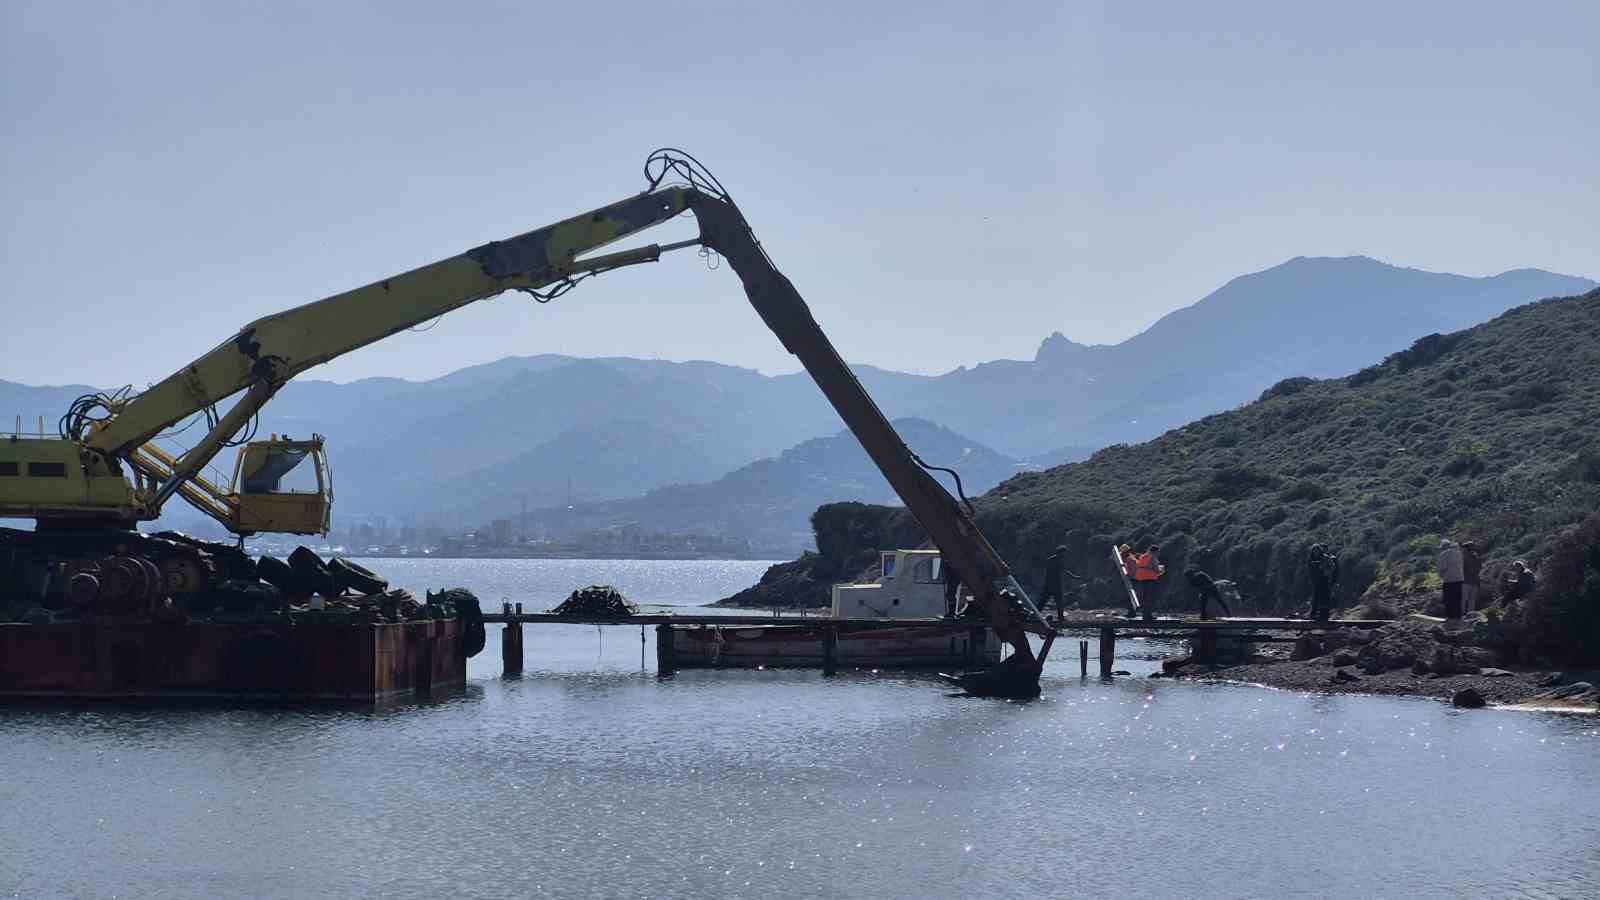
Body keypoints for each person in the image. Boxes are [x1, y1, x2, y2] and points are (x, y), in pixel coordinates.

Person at [1038, 545, 1080, 622]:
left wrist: (1074, 577)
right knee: (1059, 602)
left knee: (1043, 601)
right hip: (1055, 585)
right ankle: (1061, 618)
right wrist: (1074, 577)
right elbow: (1065, 571)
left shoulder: (1051, 559)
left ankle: (1035, 615)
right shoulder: (1058, 560)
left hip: (1048, 584)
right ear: (1061, 552)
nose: (1065, 555)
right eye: (1064, 553)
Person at [1133, 544, 1165, 622]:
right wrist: (1162, 570)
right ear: (1155, 551)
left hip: (1141, 579)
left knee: (1144, 598)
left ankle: (1145, 616)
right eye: (1158, 552)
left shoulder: (1142, 556)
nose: (1158, 554)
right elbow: (1156, 569)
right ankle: (1148, 616)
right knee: (1149, 598)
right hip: (1150, 579)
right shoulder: (1153, 557)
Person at [1308, 543, 1338, 622]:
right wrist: (1311, 579)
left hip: (1324, 580)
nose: (1316, 552)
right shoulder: (1311, 558)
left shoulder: (1326, 558)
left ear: (1319, 551)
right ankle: (1313, 616)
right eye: (1314, 551)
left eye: (1317, 550)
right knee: (1315, 598)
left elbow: (1332, 567)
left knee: (1324, 598)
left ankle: (1324, 616)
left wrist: (1326, 571)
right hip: (1315, 581)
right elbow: (1309, 569)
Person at [1437, 539, 1464, 620]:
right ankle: (1458, 616)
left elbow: (1442, 567)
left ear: (1443, 547)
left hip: (1449, 580)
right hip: (1459, 578)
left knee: (1448, 599)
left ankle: (1450, 617)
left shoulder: (1444, 554)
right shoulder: (1458, 552)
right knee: (1458, 598)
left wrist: (1441, 575)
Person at [1460, 540, 1482, 616]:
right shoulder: (1477, 557)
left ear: (1467, 548)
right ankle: (1470, 615)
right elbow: (1480, 568)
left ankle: (1462, 614)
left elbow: (1462, 569)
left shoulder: (1465, 557)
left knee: (1463, 599)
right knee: (1472, 600)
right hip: (1475, 581)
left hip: (1466, 580)